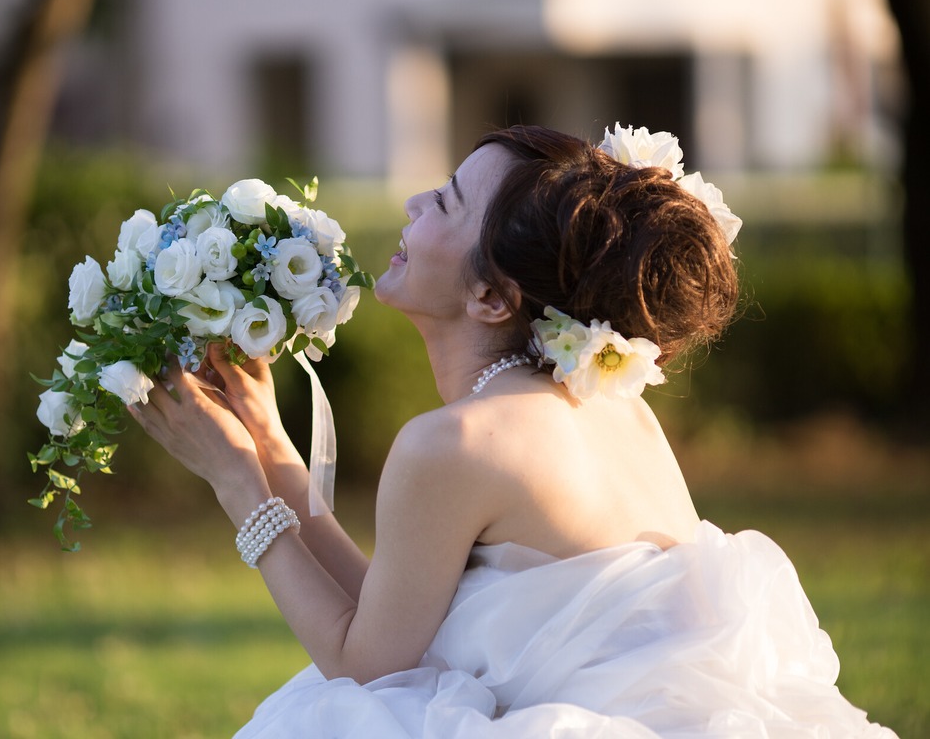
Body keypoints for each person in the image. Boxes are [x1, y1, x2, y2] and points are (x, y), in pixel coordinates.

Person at [128, 125, 897, 737]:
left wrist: (234, 484)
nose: (415, 203)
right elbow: (396, 624)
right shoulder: (610, 404)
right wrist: (267, 444)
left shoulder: (459, 442)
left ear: (493, 299)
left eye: (447, 202)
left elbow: (366, 670)